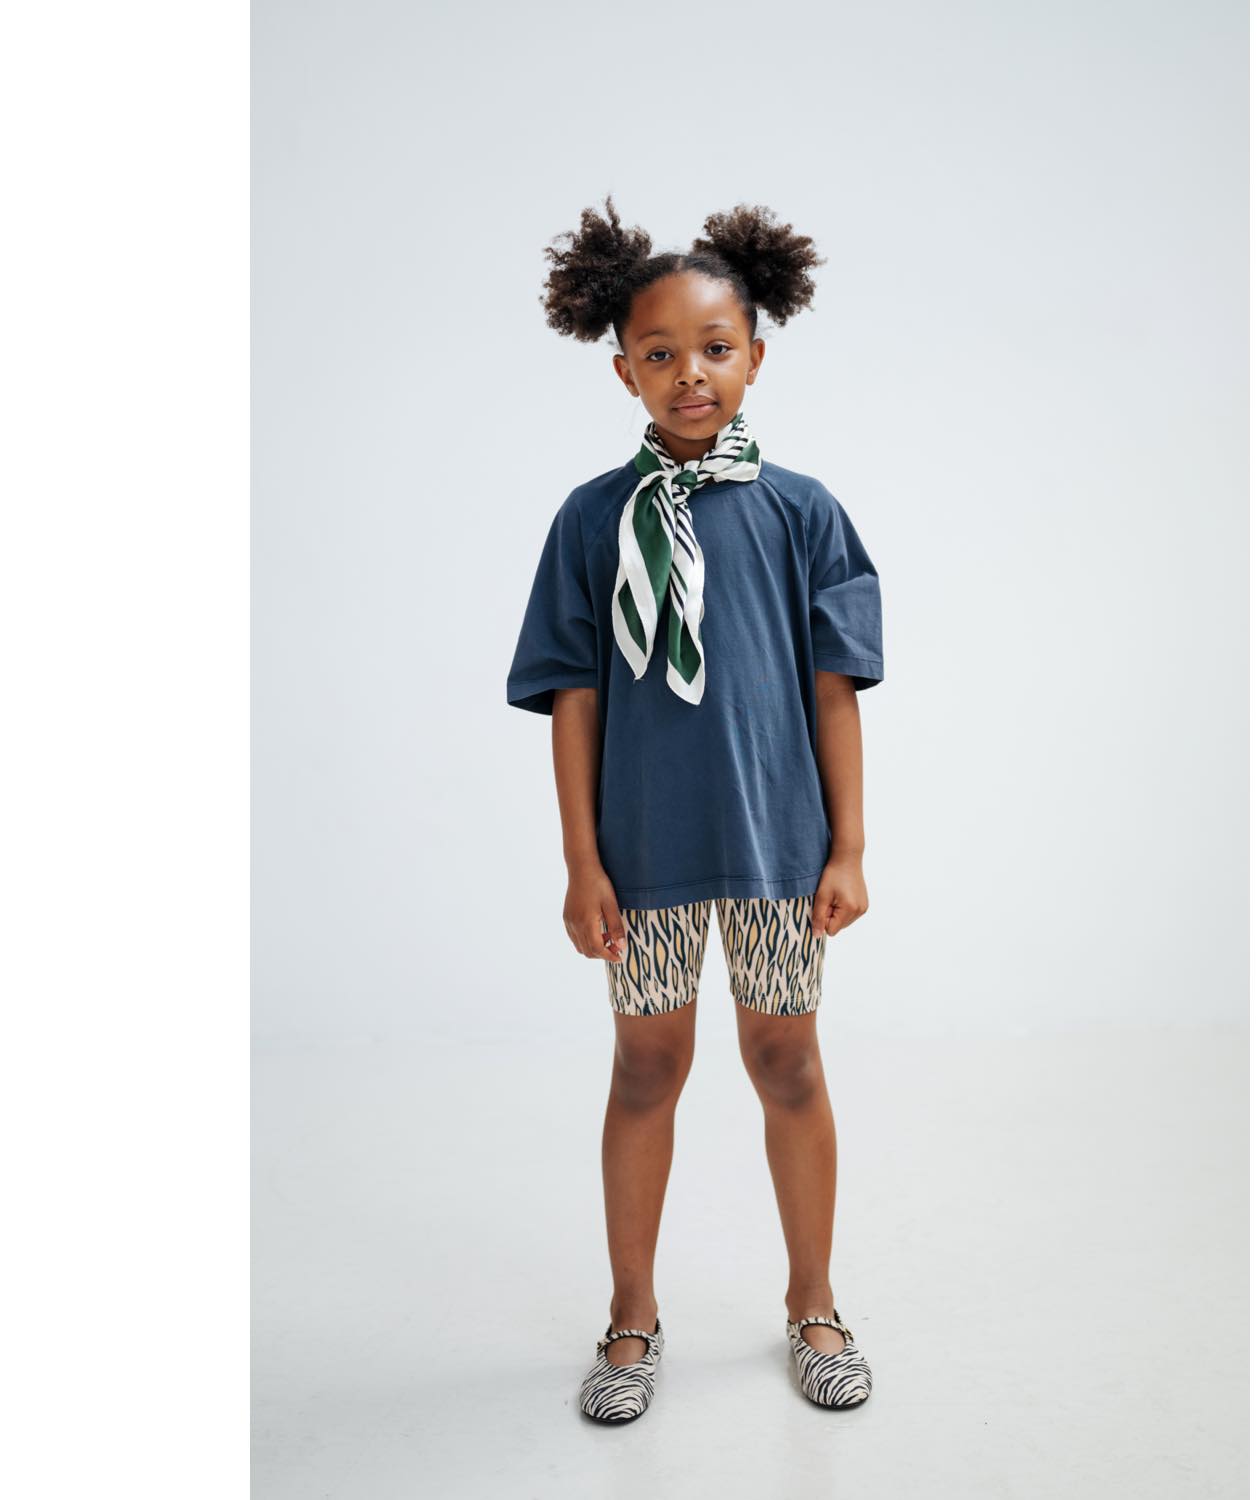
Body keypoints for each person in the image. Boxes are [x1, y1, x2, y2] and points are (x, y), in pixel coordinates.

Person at [506, 196, 885, 1424]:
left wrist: (848, 846)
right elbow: (573, 699)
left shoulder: (802, 512)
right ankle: (632, 1315)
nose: (689, 374)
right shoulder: (590, 519)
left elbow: (834, 692)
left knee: (788, 1061)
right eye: (660, 352)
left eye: (714, 348)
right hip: (645, 854)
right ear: (622, 368)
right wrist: (583, 861)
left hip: (779, 850)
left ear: (756, 358)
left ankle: (814, 1303)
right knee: (644, 1069)